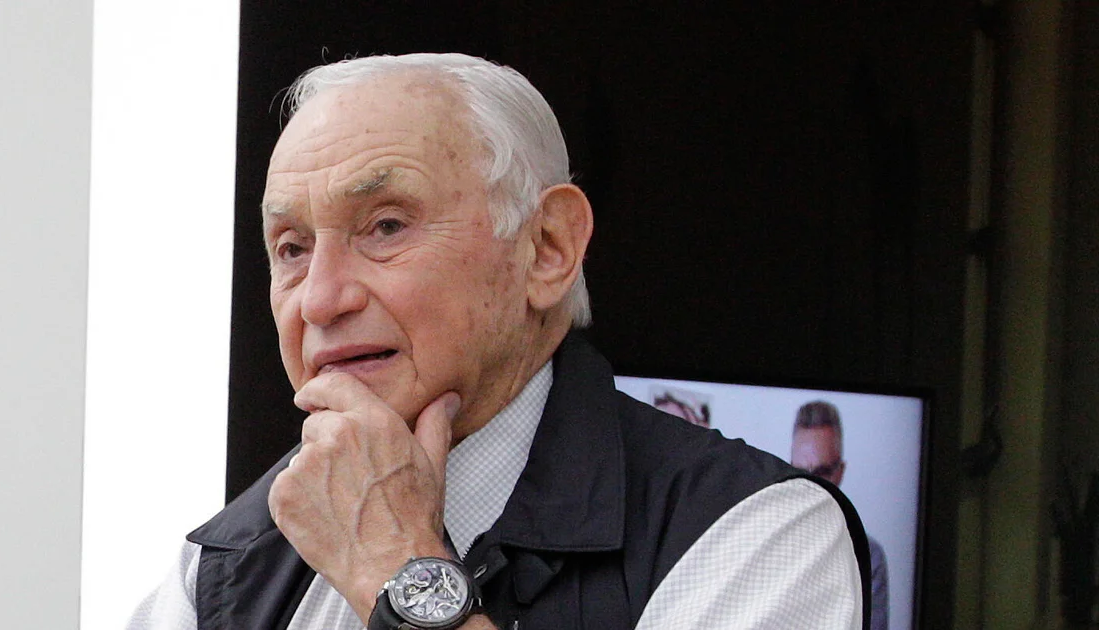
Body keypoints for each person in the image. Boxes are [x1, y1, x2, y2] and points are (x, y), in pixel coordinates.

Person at [129, 52, 871, 630]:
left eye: (386, 226)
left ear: (547, 248)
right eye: (291, 248)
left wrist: (400, 568)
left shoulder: (754, 530)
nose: (320, 299)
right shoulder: (221, 568)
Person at [791, 400, 890, 630]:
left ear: (840, 472)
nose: (811, 485)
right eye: (800, 471)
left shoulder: (869, 556)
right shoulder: (763, 542)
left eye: (823, 472)